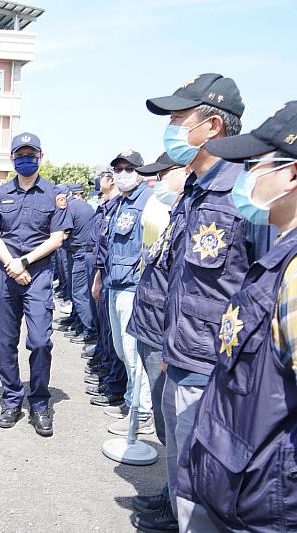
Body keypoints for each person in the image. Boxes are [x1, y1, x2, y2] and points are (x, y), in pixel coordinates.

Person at [142, 73, 270, 531]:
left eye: (180, 118)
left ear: (212, 126)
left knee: (207, 494)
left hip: (215, 370)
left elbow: (264, 290)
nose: (172, 128)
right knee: (183, 478)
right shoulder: (193, 191)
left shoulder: (246, 193)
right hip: (181, 358)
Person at [182, 100, 297, 531]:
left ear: (291, 173)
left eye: (255, 163)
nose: (245, 175)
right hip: (243, 488)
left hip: (268, 503)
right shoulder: (282, 254)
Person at [0, 132, 72, 437]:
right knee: (6, 341)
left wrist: (26, 262)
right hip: (5, 273)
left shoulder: (54, 194)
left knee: (40, 341)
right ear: (12, 158)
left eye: (31, 154)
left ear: (41, 157)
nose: (26, 158)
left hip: (39, 274)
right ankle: (11, 400)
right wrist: (11, 263)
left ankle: (40, 401)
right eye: (20, 154)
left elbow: (57, 238)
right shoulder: (0, 193)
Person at [123, 153, 188, 531]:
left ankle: (177, 504)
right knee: (167, 427)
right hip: (150, 326)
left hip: (168, 334)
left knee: (176, 426)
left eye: (165, 173)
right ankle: (170, 491)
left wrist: (170, 341)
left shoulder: (193, 212)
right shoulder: (170, 211)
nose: (159, 181)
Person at [91, 150, 156, 438]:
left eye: (130, 168)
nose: (123, 173)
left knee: (133, 352)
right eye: (118, 169)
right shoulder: (119, 203)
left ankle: (142, 414)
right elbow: (108, 247)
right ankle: (131, 402)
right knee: (121, 349)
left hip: (134, 286)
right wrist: (100, 278)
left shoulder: (149, 202)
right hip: (115, 284)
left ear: (141, 172)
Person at [86, 170, 127, 409]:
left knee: (115, 336)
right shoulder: (107, 207)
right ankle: (108, 374)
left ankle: (115, 385)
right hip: (104, 272)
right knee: (106, 331)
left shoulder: (120, 206)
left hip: (116, 275)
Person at [61, 183, 97, 345]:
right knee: (82, 293)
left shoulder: (70, 207)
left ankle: (89, 331)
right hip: (85, 251)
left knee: (79, 294)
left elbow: (63, 234)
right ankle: (81, 324)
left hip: (81, 252)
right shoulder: (83, 205)